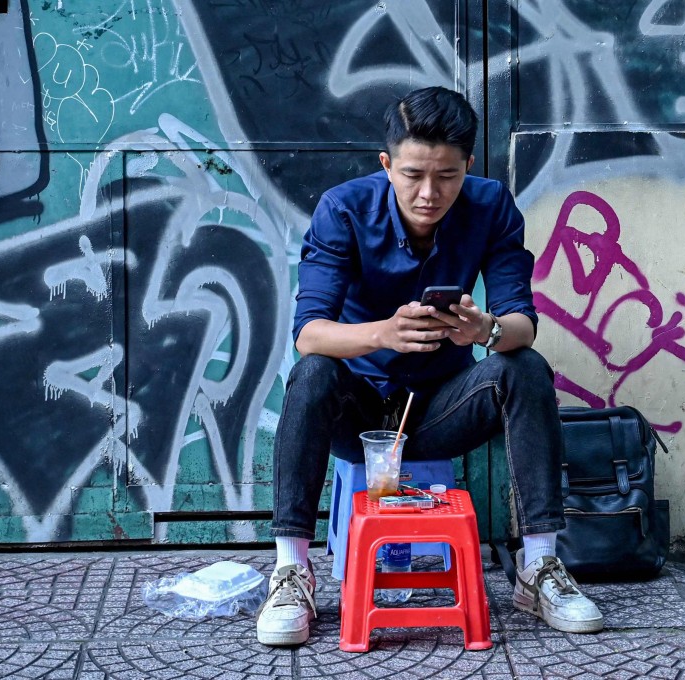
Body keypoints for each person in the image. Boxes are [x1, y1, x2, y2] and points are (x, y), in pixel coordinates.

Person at [256, 86, 603, 646]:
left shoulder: (490, 206)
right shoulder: (343, 209)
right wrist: (383, 333)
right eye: (413, 174)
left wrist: (485, 330)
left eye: (447, 175)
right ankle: (291, 571)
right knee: (313, 373)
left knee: (525, 366)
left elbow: (523, 323)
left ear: (468, 165)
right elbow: (308, 335)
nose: (428, 193)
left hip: (444, 409)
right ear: (386, 164)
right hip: (361, 416)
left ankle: (539, 567)